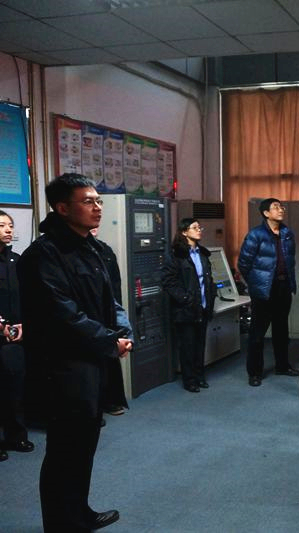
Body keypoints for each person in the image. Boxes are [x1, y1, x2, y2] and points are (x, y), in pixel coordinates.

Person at [18, 173, 133, 532]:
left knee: (84, 447)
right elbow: (63, 314)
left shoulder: (93, 248)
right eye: (88, 201)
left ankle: (79, 513)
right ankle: (61, 523)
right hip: (63, 367)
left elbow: (109, 300)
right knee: (64, 451)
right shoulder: (43, 255)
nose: (97, 207)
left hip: (93, 361)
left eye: (98, 200)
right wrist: (109, 341)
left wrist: (121, 332)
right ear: (63, 208)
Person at [238, 198, 297, 386]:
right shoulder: (255, 235)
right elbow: (243, 264)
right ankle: (254, 372)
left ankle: (282, 366)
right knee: (257, 333)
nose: (281, 210)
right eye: (276, 207)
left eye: (281, 207)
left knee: (282, 330)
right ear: (266, 213)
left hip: (283, 286)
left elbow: (291, 261)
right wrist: (256, 283)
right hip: (263, 289)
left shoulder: (287, 233)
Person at [162, 218, 217, 393]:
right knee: (187, 346)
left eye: (200, 227)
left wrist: (211, 295)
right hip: (186, 308)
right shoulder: (176, 255)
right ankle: (190, 380)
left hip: (203, 306)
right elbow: (168, 282)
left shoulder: (203, 253)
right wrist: (185, 299)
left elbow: (207, 279)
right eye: (195, 227)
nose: (199, 230)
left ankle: (200, 376)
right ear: (184, 232)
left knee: (200, 345)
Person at [0, 210, 33, 463]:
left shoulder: (17, 260)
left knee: (15, 387)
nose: (8, 229)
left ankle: (16, 436)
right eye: (2, 225)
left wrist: (24, 324)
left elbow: (28, 298)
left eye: (10, 225)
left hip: (15, 335)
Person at [90, 227, 128, 418]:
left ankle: (110, 401)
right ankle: (95, 407)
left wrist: (117, 317)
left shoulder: (105, 250)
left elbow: (115, 286)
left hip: (107, 314)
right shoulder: (63, 252)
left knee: (109, 362)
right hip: (86, 317)